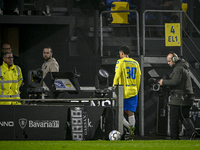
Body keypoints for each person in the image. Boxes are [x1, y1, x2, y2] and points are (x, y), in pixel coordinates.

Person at [158, 53, 198, 140]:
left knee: (174, 120)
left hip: (178, 99)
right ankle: (192, 132)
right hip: (186, 98)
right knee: (184, 117)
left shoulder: (178, 68)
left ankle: (174, 138)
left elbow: (175, 82)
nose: (168, 63)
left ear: (174, 60)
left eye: (169, 61)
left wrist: (163, 82)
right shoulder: (183, 67)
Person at [112, 45, 141, 140]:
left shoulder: (120, 62)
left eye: (120, 54)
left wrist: (113, 87)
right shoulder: (136, 63)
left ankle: (129, 128)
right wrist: (137, 90)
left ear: (122, 53)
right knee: (131, 113)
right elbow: (138, 78)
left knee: (119, 113)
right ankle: (131, 133)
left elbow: (117, 76)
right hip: (133, 91)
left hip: (123, 92)